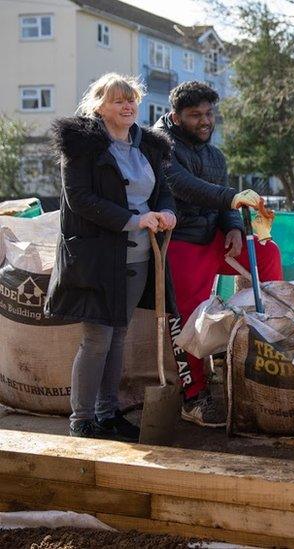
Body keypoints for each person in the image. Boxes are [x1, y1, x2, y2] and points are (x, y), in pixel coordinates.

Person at [48, 73, 178, 440]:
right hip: (96, 259)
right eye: (118, 100)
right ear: (100, 106)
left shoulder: (148, 146)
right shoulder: (81, 146)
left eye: (132, 99)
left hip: (137, 257)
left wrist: (167, 212)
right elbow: (81, 200)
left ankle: (108, 413)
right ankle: (82, 420)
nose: (127, 105)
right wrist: (134, 219)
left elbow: (163, 191)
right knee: (96, 340)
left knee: (118, 336)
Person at [154, 81, 283, 427]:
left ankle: (265, 349)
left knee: (268, 254)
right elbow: (182, 186)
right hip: (178, 240)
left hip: (214, 239)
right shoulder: (160, 144)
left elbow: (227, 206)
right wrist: (230, 199)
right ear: (176, 117)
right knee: (186, 313)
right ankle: (194, 396)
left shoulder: (215, 155)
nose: (205, 121)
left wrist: (235, 229)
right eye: (195, 115)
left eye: (209, 113)